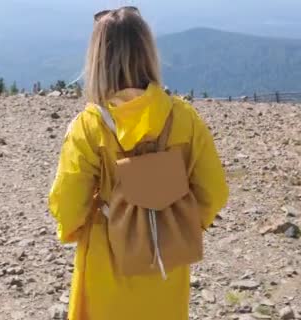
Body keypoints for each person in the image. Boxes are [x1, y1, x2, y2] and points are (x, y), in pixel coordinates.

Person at [48, 6, 228, 320]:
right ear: (148, 51)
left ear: (98, 58)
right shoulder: (184, 118)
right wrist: (175, 221)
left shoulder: (89, 127)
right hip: (166, 262)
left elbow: (68, 205)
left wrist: (76, 228)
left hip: (107, 261)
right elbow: (214, 190)